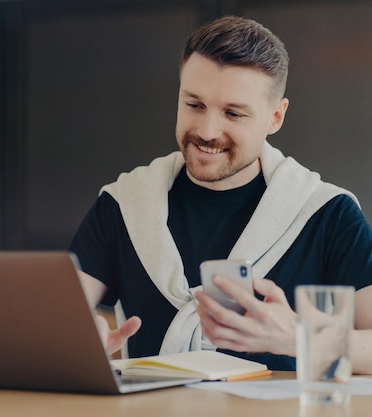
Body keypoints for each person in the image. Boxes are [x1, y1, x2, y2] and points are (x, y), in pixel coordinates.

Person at [69, 15, 372, 372]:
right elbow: (54, 322)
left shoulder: (328, 213)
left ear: (275, 116)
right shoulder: (123, 204)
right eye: (194, 105)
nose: (208, 131)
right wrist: (78, 341)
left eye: (233, 113)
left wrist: (299, 338)